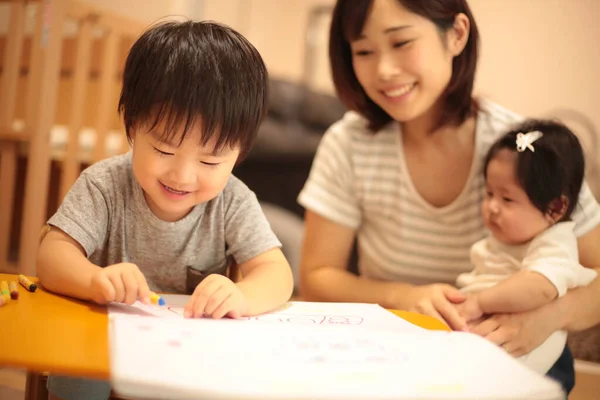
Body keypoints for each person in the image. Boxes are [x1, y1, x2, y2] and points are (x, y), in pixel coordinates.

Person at [297, 0, 600, 393]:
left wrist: (552, 315)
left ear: (457, 34)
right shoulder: (347, 144)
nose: (384, 70)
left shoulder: (525, 152)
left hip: (505, 365)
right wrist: (403, 295)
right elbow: (317, 277)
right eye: (364, 51)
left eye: (402, 42)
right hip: (395, 357)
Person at [37, 20, 294, 400]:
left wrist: (242, 295)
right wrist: (93, 280)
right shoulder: (104, 185)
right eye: (163, 150)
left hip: (187, 350)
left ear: (240, 154)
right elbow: (51, 255)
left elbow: (276, 273)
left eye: (210, 162)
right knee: (75, 381)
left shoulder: (234, 202)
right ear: (132, 128)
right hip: (102, 340)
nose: (183, 175)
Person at [454, 119, 597, 374]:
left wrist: (479, 303)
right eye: (489, 193)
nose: (492, 207)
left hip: (526, 353)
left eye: (507, 198)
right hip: (485, 337)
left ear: (555, 208)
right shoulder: (511, 237)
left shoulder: (554, 244)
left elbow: (539, 287)